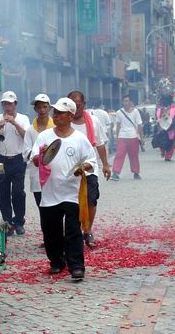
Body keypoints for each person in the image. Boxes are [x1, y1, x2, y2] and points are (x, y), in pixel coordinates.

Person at [31, 97, 97, 280]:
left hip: (72, 193)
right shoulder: (44, 136)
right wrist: (37, 159)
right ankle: (57, 262)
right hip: (49, 193)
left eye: (60, 113)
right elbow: (34, 156)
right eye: (56, 112)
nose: (56, 115)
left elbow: (91, 161)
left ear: (70, 115)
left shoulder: (80, 139)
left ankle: (76, 266)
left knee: (73, 230)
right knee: (50, 231)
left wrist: (83, 168)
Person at [68, 91, 111, 248]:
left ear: (84, 105)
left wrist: (106, 164)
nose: (75, 108)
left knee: (91, 200)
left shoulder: (93, 121)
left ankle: (87, 229)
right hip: (69, 170)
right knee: (71, 203)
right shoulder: (63, 121)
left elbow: (100, 144)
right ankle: (73, 232)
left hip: (89, 168)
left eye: (78, 105)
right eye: (72, 105)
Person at [0, 90, 30, 236]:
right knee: (2, 192)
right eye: (4, 104)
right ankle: (7, 223)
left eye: (10, 104)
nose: (7, 107)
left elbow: (27, 137)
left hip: (18, 159)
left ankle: (19, 221)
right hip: (0, 159)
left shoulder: (23, 118)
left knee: (18, 191)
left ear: (15, 104)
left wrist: (14, 122)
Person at [23, 94, 54, 208]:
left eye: (45, 107)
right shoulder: (30, 130)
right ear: (35, 109)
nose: (42, 110)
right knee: (41, 207)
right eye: (39, 107)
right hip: (37, 173)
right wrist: (40, 154)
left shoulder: (56, 127)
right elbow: (26, 152)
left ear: (49, 108)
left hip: (54, 172)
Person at [111, 95, 143, 181]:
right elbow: (118, 125)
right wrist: (117, 137)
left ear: (130, 102)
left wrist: (141, 137)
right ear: (122, 102)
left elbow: (139, 125)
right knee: (119, 155)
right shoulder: (119, 112)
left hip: (133, 137)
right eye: (124, 101)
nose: (126, 102)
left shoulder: (136, 112)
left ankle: (136, 173)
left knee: (134, 156)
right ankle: (115, 173)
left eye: (127, 101)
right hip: (122, 137)